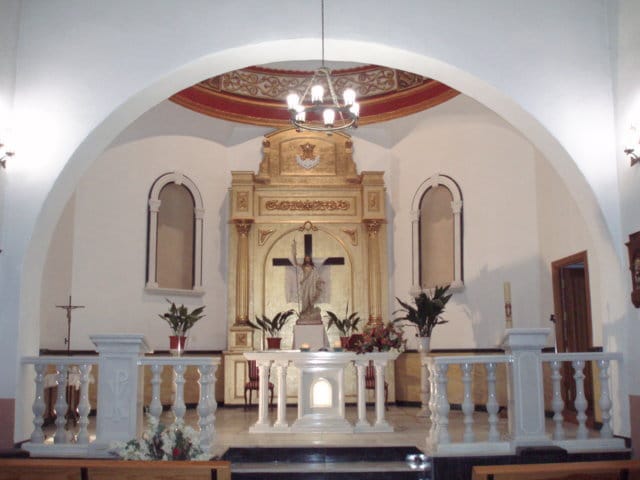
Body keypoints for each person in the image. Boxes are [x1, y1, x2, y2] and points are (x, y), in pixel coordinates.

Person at [292, 240, 325, 318]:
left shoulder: (313, 267)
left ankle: (310, 310)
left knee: (311, 296)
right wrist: (294, 253)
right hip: (305, 284)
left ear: (310, 259)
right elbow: (295, 263)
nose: (307, 259)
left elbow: (316, 276)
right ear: (305, 260)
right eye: (306, 258)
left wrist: (320, 280)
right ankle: (305, 311)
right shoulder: (303, 266)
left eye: (308, 258)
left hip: (312, 284)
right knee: (305, 297)